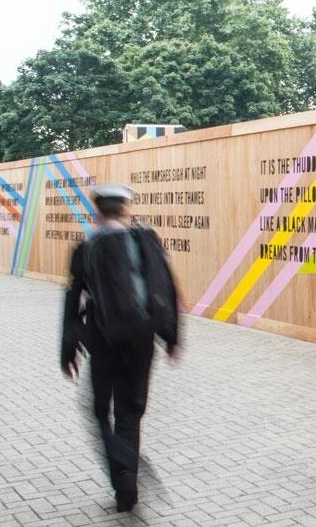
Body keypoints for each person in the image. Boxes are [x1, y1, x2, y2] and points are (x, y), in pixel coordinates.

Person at [60, 182, 179, 512]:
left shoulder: (86, 248)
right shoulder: (146, 240)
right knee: (131, 412)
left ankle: (123, 468)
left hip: (104, 340)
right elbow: (167, 286)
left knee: (99, 409)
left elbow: (72, 299)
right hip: (143, 340)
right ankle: (128, 489)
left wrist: (67, 349)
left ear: (97, 211)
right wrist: (172, 337)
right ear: (126, 209)